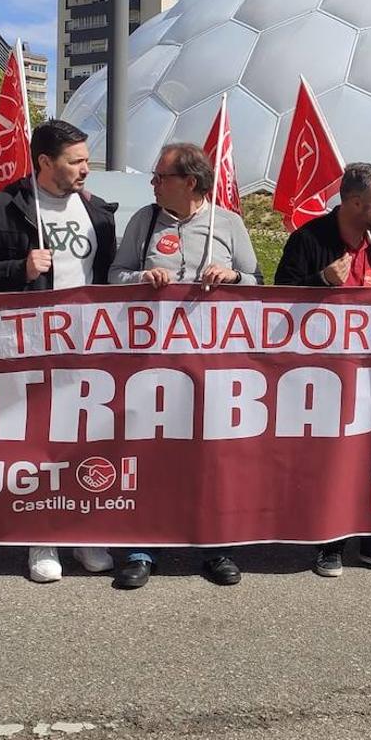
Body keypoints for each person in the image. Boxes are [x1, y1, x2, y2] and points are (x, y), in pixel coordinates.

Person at [108, 143, 262, 589]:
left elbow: (257, 283)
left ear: (189, 182)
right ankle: (143, 549)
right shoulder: (145, 220)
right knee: (152, 454)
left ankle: (216, 549)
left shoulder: (229, 224)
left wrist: (232, 277)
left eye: (160, 177)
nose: (153, 184)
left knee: (211, 457)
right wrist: (142, 277)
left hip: (214, 364)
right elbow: (113, 275)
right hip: (153, 362)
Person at [0, 119, 117, 583]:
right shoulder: (2, 208)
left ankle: (84, 533)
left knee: (85, 438)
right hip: (27, 347)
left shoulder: (99, 213)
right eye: (76, 161)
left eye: (86, 160)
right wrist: (19, 267)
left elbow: (110, 277)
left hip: (88, 347)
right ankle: (41, 536)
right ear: (44, 162)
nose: (85, 169)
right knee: (37, 439)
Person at [274, 162, 371, 579]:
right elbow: (275, 303)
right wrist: (320, 280)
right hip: (326, 370)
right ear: (353, 203)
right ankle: (329, 541)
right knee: (333, 458)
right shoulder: (309, 239)